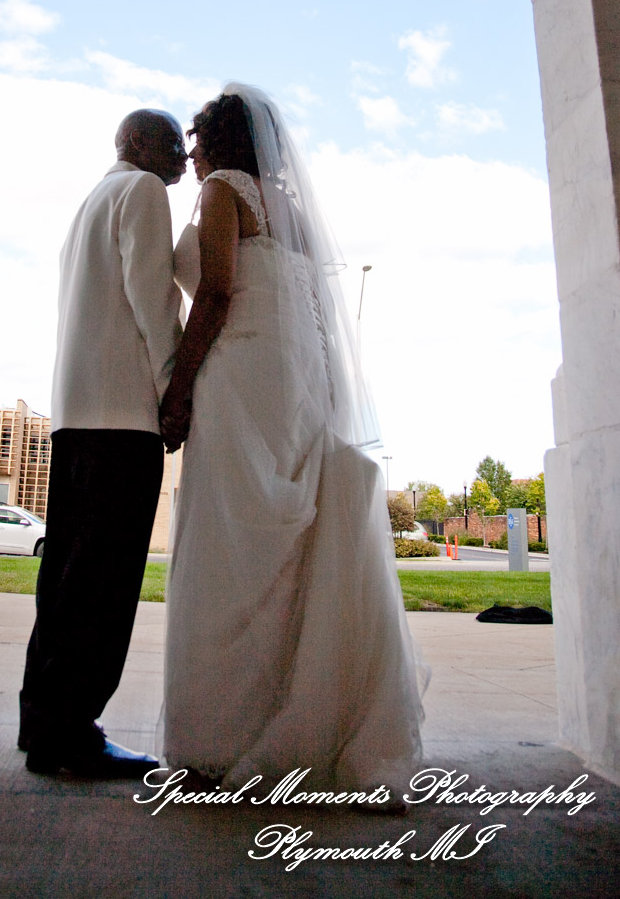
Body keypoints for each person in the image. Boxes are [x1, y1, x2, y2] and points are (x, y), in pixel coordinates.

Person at [159, 85, 424, 793]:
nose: (192, 153)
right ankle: (286, 718)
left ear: (218, 140)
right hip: (298, 385)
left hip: (245, 378)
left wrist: (178, 392)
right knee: (286, 550)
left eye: (197, 139)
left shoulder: (223, 191)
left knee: (228, 545)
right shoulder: (294, 212)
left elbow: (215, 293)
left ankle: (218, 740)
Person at [19, 108, 187, 777]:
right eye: (172, 142)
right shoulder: (140, 191)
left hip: (77, 416)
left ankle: (44, 724)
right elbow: (152, 300)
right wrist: (174, 392)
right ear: (138, 143)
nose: (181, 156)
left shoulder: (93, 199)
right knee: (103, 585)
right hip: (122, 418)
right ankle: (72, 734)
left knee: (63, 580)